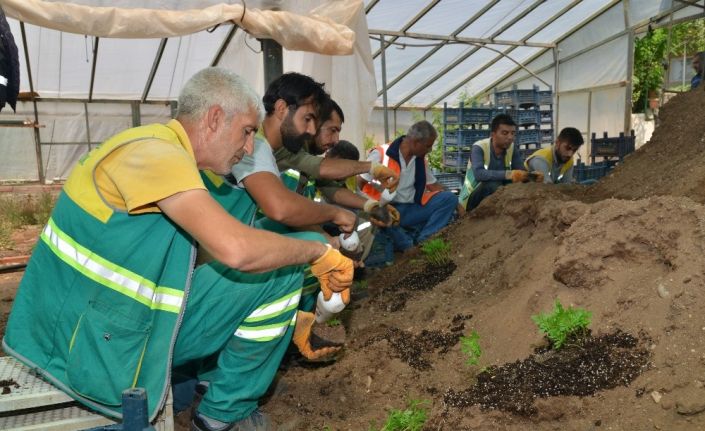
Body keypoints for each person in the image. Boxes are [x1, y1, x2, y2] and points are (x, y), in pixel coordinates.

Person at [2, 67, 353, 431]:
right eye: (247, 132)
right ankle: (221, 409)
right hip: (91, 341)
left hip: (114, 320)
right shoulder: (156, 155)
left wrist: (287, 318)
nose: (250, 147)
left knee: (274, 274)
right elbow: (236, 249)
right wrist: (317, 253)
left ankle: (219, 410)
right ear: (215, 118)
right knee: (273, 268)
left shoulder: (166, 154)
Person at [360, 120, 459, 252]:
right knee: (405, 243)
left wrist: (458, 204)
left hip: (411, 209)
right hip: (387, 210)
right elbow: (359, 183)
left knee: (449, 198)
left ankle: (426, 240)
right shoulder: (381, 154)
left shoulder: (419, 159)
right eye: (428, 146)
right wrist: (375, 206)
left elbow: (433, 185)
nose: (429, 150)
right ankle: (407, 244)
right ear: (416, 142)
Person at [458, 113, 542, 211]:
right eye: (505, 133)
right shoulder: (479, 147)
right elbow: (479, 174)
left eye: (513, 133)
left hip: (494, 194)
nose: (510, 137)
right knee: (494, 184)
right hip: (471, 199)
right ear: (493, 134)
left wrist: (531, 176)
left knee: (519, 184)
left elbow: (520, 172)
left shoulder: (511, 148)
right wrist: (509, 174)